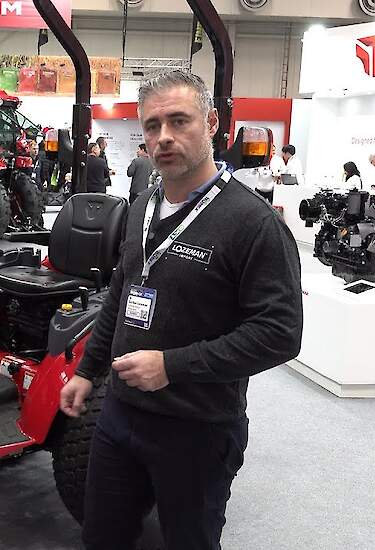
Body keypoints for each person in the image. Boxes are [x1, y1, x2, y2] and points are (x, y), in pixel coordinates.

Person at [59, 70, 303, 550]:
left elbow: (280, 333)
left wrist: (173, 366)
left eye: (179, 121)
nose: (164, 137)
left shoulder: (254, 224)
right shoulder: (142, 207)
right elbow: (122, 292)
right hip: (120, 415)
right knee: (101, 537)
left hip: (198, 428)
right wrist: (88, 371)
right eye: (152, 126)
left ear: (211, 123)